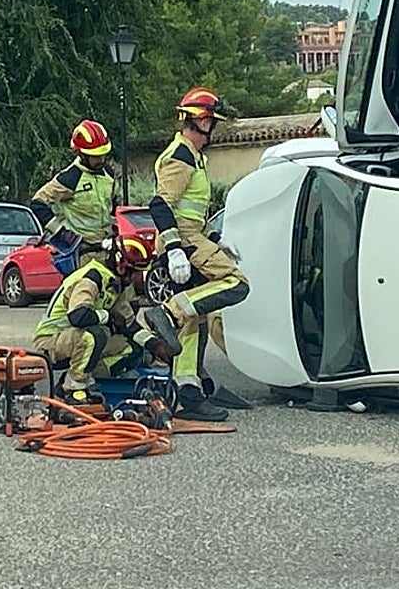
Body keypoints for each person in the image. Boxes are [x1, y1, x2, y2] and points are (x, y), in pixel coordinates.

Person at [144, 87, 250, 422]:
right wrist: (175, 249)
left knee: (195, 318)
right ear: (201, 121)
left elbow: (191, 212)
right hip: (185, 242)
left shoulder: (193, 155)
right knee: (236, 283)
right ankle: (169, 311)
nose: (215, 129)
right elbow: (161, 205)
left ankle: (189, 390)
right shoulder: (181, 156)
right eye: (212, 122)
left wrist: (215, 241)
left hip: (195, 239)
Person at [32, 235, 181, 405]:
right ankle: (72, 390)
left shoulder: (115, 283)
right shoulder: (91, 278)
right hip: (50, 342)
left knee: (132, 349)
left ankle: (80, 379)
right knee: (94, 336)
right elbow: (78, 316)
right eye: (134, 272)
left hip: (74, 338)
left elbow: (130, 325)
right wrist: (108, 316)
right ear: (120, 263)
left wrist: (155, 345)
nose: (135, 279)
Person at [28, 119, 117, 270]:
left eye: (103, 154)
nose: (101, 159)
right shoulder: (70, 177)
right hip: (83, 254)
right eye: (95, 156)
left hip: (108, 250)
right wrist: (61, 233)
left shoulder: (108, 174)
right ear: (81, 155)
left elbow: (114, 205)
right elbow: (38, 203)